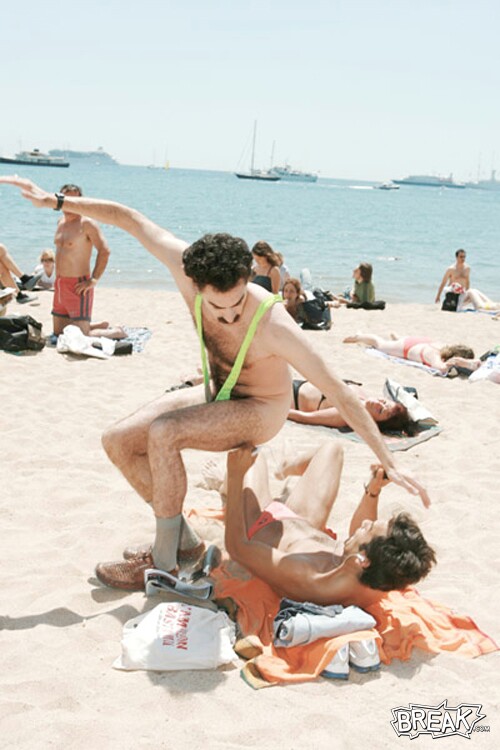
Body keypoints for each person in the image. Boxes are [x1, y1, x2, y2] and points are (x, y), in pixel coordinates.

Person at [0, 175, 429, 592]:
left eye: (237, 303)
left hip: (261, 409)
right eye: (217, 308)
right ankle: (184, 543)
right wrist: (57, 202)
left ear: (247, 280)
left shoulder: (274, 324)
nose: (229, 316)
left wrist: (388, 460)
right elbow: (129, 219)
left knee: (164, 433)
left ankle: (164, 566)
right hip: (218, 391)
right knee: (117, 440)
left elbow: (338, 390)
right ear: (194, 282)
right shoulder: (182, 264)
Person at [225, 444, 436, 608]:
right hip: (304, 523)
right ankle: (286, 466)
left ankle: (226, 484)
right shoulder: (381, 579)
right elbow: (364, 543)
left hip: (259, 524)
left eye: (368, 528)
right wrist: (373, 490)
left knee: (249, 450)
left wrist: (236, 474)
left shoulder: (309, 576)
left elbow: (237, 548)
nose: (364, 523)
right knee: (332, 450)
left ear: (362, 560)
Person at [51, 184, 111, 337]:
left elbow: (104, 250)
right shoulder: (60, 222)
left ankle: (117, 332)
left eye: (74, 200)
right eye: (66, 199)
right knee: (58, 333)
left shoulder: (87, 223)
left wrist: (94, 279)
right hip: (60, 284)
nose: (69, 203)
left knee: (80, 336)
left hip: (78, 285)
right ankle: (93, 325)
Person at [289, 379, 409, 431]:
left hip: (290, 398)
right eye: (384, 402)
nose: (378, 404)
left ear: (375, 422)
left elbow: (306, 418)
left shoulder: (348, 413)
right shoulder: (363, 395)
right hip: (293, 384)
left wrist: (281, 411)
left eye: (380, 411)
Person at [343, 331, 474, 374]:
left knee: (395, 343)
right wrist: (460, 363)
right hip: (407, 347)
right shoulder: (434, 356)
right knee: (379, 344)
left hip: (418, 342)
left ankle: (397, 338)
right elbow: (441, 368)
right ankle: (359, 337)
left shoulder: (444, 347)